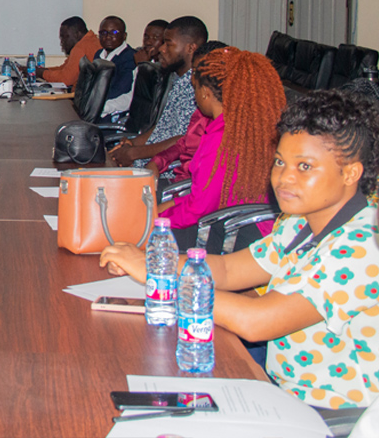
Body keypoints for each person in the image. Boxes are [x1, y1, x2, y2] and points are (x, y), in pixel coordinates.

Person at [101, 89, 379, 410]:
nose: (284, 178)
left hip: (338, 416)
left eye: (304, 167)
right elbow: (228, 270)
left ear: (350, 172)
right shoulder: (300, 222)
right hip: (284, 394)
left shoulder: (361, 247)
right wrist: (152, 259)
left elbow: (257, 321)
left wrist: (158, 276)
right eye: (279, 162)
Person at [159, 47, 285, 245]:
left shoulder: (222, 138)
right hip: (236, 222)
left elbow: (199, 208)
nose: (195, 97)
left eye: (196, 89)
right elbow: (203, 196)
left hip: (234, 233)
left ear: (206, 93)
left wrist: (156, 221)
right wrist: (164, 208)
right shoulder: (247, 127)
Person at [109, 16, 208, 167]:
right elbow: (162, 126)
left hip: (165, 170)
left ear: (190, 48)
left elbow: (183, 140)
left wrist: (134, 153)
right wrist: (132, 143)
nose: (162, 49)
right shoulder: (178, 80)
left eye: (168, 44)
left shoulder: (196, 87)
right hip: (146, 160)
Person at [147, 40, 227, 182]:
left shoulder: (224, 129)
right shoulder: (201, 114)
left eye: (200, 73)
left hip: (187, 189)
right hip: (180, 182)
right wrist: (156, 162)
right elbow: (184, 143)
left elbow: (202, 197)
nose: (194, 79)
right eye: (194, 71)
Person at [36, 16, 101, 88]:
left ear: (77, 34)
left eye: (65, 37)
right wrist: (40, 70)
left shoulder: (81, 47)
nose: (62, 42)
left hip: (78, 97)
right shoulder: (93, 41)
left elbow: (66, 79)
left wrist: (41, 73)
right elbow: (64, 69)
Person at [94, 16, 137, 119]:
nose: (108, 37)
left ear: (124, 36)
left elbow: (121, 90)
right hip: (94, 107)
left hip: (113, 111)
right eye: (103, 33)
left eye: (114, 33)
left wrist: (93, 102)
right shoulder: (99, 54)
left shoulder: (130, 57)